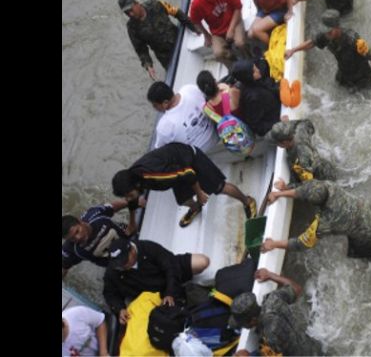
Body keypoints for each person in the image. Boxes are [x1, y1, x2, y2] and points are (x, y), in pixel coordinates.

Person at [111, 142, 257, 228]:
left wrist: (200, 193)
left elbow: (188, 173)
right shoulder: (133, 181)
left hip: (190, 160)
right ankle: (196, 208)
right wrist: (132, 224)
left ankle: (247, 200)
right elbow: (132, 202)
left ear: (136, 185)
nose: (129, 198)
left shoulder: (153, 174)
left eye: (129, 195)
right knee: (183, 200)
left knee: (220, 188)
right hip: (175, 170)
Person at [261, 178, 371, 258]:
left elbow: (301, 244)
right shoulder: (329, 185)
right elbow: (305, 190)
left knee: (362, 258)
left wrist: (274, 244)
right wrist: (281, 192)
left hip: (370, 236)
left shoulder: (326, 222)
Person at [102, 238, 210, 325]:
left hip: (168, 278)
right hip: (151, 296)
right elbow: (110, 293)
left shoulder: (148, 247)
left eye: (125, 261)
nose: (123, 266)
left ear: (132, 250)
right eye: (119, 264)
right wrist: (120, 309)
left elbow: (170, 266)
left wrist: (170, 293)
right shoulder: (114, 270)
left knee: (202, 261)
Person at [285, 9, 371, 90]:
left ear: (337, 27)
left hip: (362, 77)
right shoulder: (326, 36)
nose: (327, 35)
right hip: (344, 74)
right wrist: (293, 50)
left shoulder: (354, 41)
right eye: (325, 32)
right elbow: (312, 43)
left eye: (329, 32)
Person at [230, 268, 322, 356]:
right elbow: (297, 288)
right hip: (314, 343)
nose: (243, 327)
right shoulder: (273, 299)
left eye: (243, 324)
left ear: (252, 320)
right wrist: (270, 275)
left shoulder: (269, 337)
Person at [119, 0, 206, 81]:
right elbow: (141, 50)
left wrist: (193, 27)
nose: (130, 14)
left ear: (137, 3)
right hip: (166, 57)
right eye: (127, 13)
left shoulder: (154, 4)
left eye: (131, 10)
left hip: (179, 39)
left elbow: (176, 12)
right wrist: (148, 65)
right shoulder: (132, 28)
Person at [61, 198, 145, 278]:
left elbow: (114, 206)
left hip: (128, 241)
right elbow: (64, 268)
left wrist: (133, 203)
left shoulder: (95, 214)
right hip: (118, 266)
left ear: (80, 222)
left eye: (77, 231)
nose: (78, 237)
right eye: (72, 239)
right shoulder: (70, 250)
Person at [189, 0, 248, 69]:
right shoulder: (197, 4)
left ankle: (249, 60)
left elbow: (238, 7)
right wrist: (206, 35)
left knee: (240, 43)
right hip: (217, 31)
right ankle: (235, 68)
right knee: (218, 54)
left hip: (234, 19)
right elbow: (195, 21)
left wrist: (231, 29)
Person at [146, 81, 218, 152]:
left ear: (165, 103)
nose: (154, 108)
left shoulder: (164, 126)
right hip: (218, 138)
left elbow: (159, 151)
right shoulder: (189, 89)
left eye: (155, 105)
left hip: (203, 157)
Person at [268, 118, 337, 184]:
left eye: (277, 143)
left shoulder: (301, 159)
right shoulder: (299, 133)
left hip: (324, 179)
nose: (276, 145)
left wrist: (287, 187)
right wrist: (288, 125)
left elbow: (309, 185)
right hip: (326, 164)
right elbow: (307, 123)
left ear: (285, 142)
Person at [230, 59, 281, 136]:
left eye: (255, 67)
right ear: (247, 76)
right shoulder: (252, 98)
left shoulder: (255, 80)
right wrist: (279, 123)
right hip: (277, 120)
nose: (258, 70)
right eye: (254, 71)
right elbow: (256, 126)